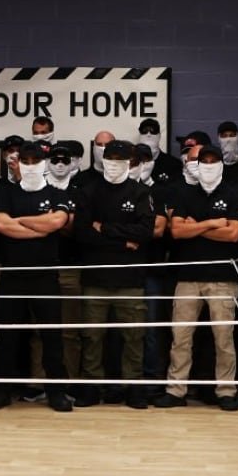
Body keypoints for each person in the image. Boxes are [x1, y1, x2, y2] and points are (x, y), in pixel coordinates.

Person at [0, 142, 74, 412]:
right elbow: (0, 224)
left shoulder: (58, 192)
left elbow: (57, 222)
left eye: (35, 160)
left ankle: (56, 390)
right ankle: (1, 390)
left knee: (51, 335)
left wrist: (19, 221)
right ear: (18, 163)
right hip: (13, 275)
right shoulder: (6, 191)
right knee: (7, 335)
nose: (31, 165)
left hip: (45, 275)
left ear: (43, 163)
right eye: (26, 160)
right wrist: (40, 226)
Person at [154, 144, 238, 411]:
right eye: (202, 161)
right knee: (180, 336)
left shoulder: (234, 192)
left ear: (220, 164)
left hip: (222, 277)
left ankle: (226, 391)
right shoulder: (183, 193)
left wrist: (196, 225)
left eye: (212, 160)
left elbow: (234, 234)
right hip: (187, 275)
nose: (207, 165)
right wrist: (213, 223)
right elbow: (178, 232)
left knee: (223, 338)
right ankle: (176, 389)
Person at [73, 140, 155, 408]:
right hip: (95, 276)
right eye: (110, 158)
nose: (114, 164)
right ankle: (91, 386)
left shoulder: (141, 192)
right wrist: (123, 241)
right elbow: (82, 234)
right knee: (92, 335)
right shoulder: (88, 191)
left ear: (131, 163)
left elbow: (144, 233)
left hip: (130, 279)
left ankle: (134, 386)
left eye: (121, 159)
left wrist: (105, 228)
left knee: (133, 336)